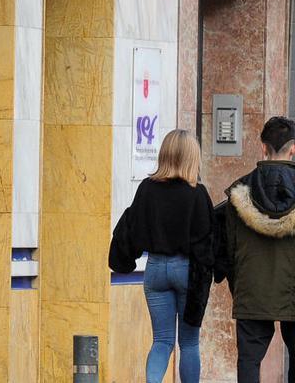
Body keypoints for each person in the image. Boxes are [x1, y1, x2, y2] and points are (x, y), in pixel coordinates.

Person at [108, 129, 214, 383]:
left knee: (162, 340)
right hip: (187, 271)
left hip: (155, 269)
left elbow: (131, 227)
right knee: (188, 343)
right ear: (192, 157)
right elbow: (207, 243)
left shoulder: (147, 188)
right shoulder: (197, 194)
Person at [214, 116, 295, 382]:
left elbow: (228, 248)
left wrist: (240, 286)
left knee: (248, 362)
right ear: (293, 149)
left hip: (252, 289)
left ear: (263, 147)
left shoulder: (239, 193)